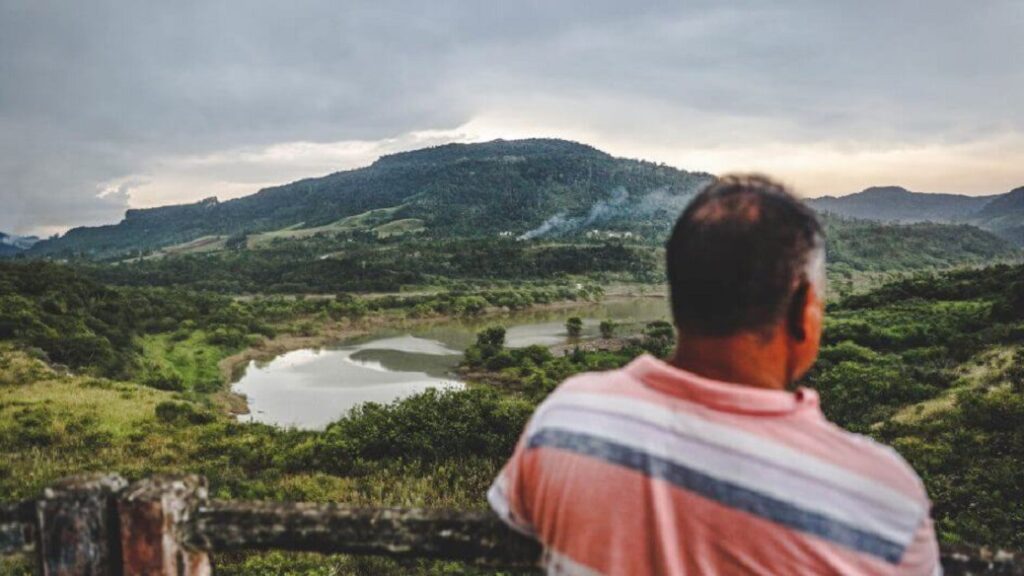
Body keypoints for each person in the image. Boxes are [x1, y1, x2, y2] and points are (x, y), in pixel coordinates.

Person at [488, 175, 941, 575]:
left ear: (676, 294)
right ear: (805, 310)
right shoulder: (884, 500)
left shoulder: (567, 417)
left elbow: (515, 521)